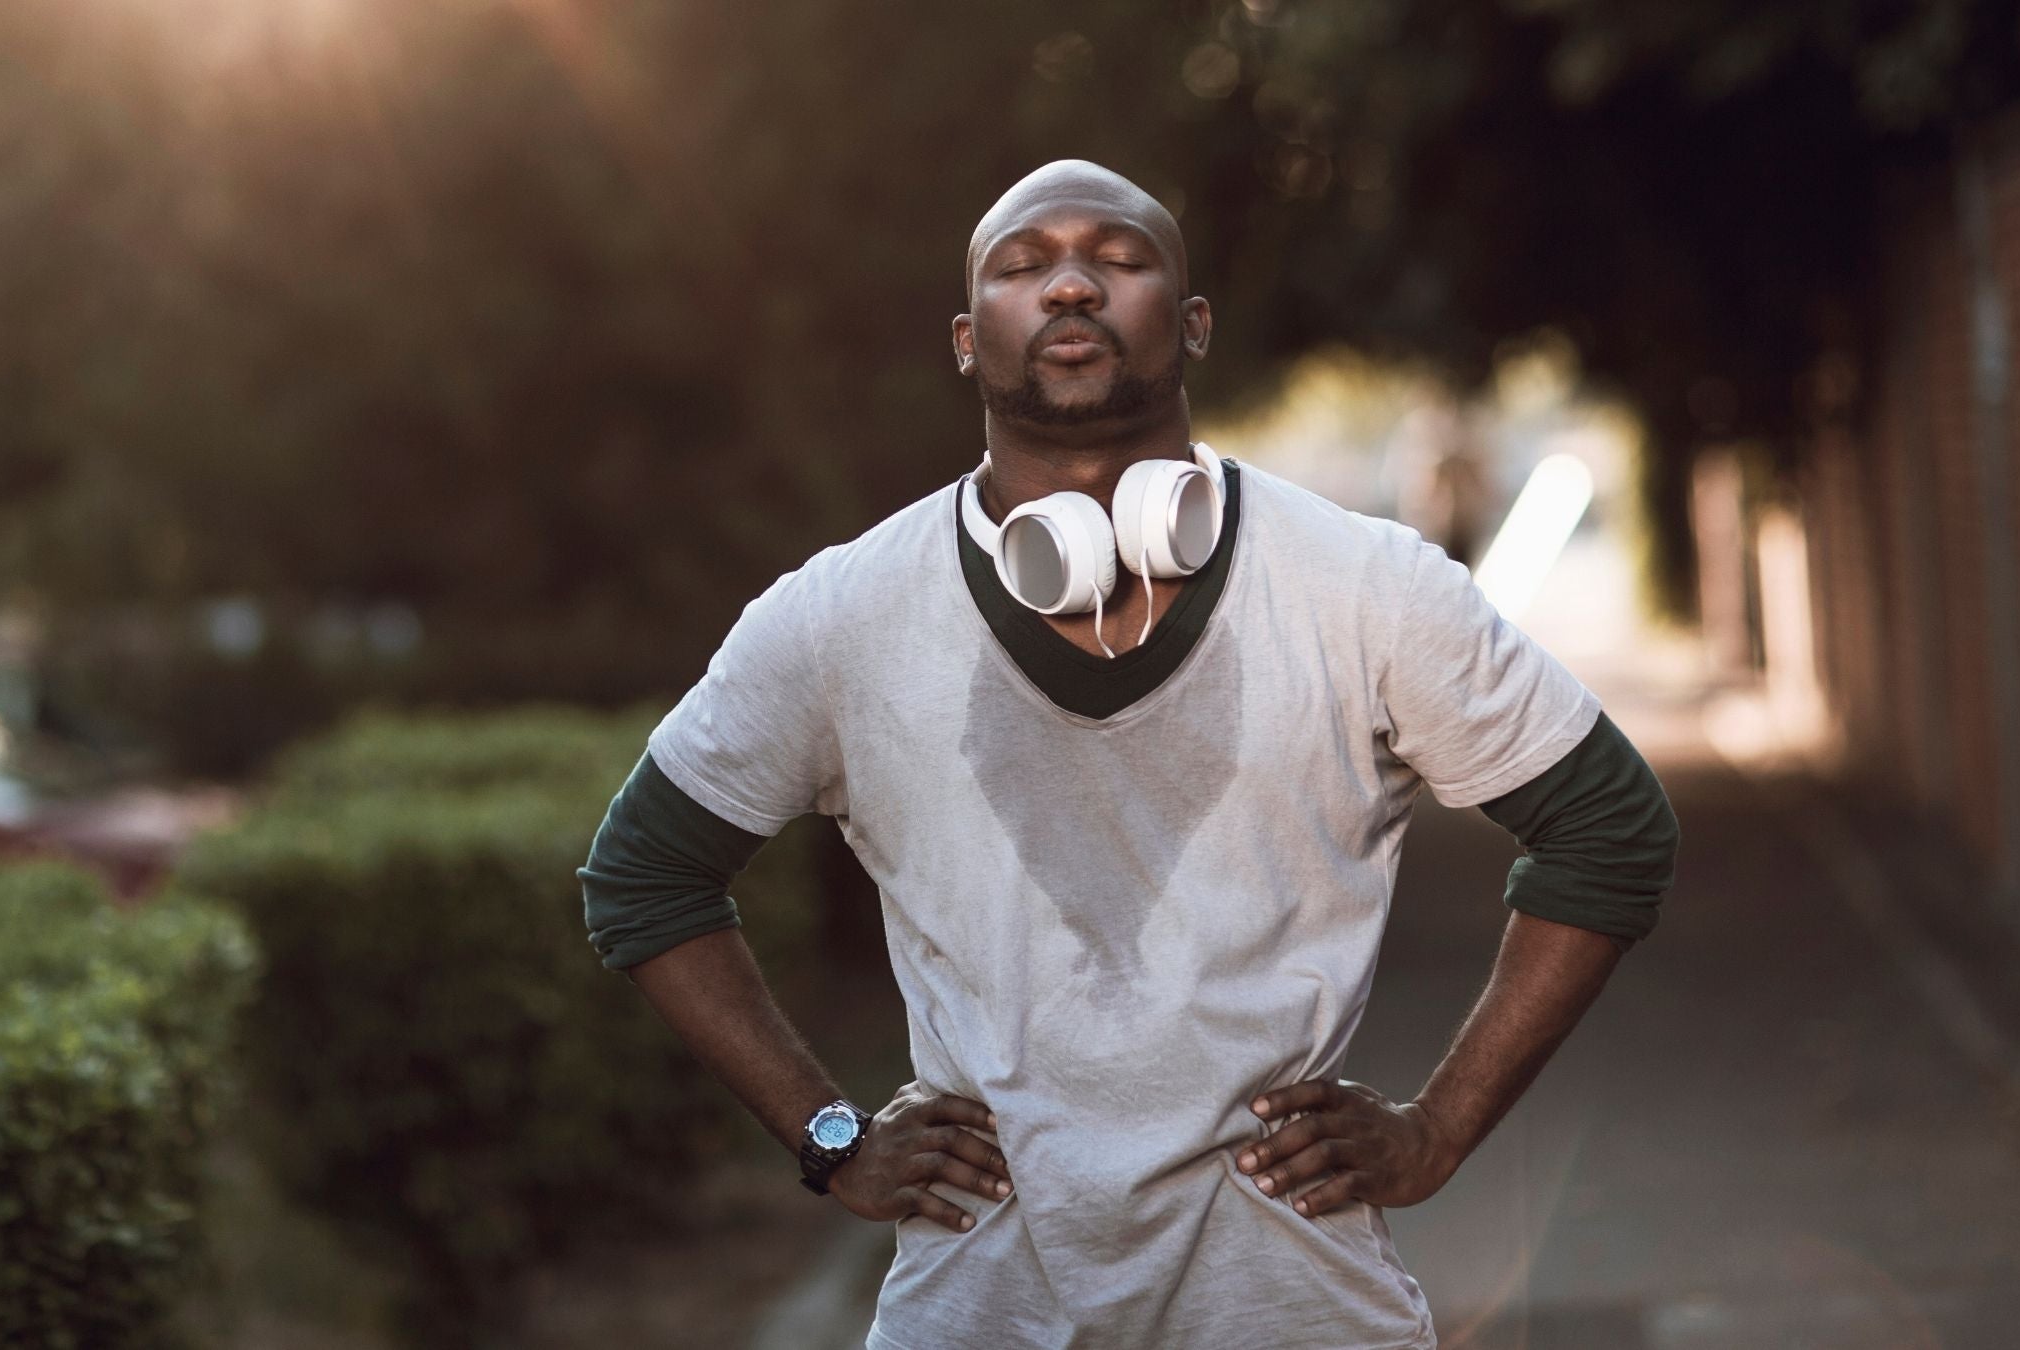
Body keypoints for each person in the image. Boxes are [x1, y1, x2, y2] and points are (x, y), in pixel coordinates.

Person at [579, 159, 1678, 1349]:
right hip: (977, 1310)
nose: (1067, 288)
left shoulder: (1365, 587)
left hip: (1300, 1311)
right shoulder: (841, 617)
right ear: (966, 339)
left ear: (1192, 324)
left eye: (1115, 258)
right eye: (1021, 265)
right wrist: (829, 1136)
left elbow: (1611, 831)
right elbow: (642, 879)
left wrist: (1438, 1128)